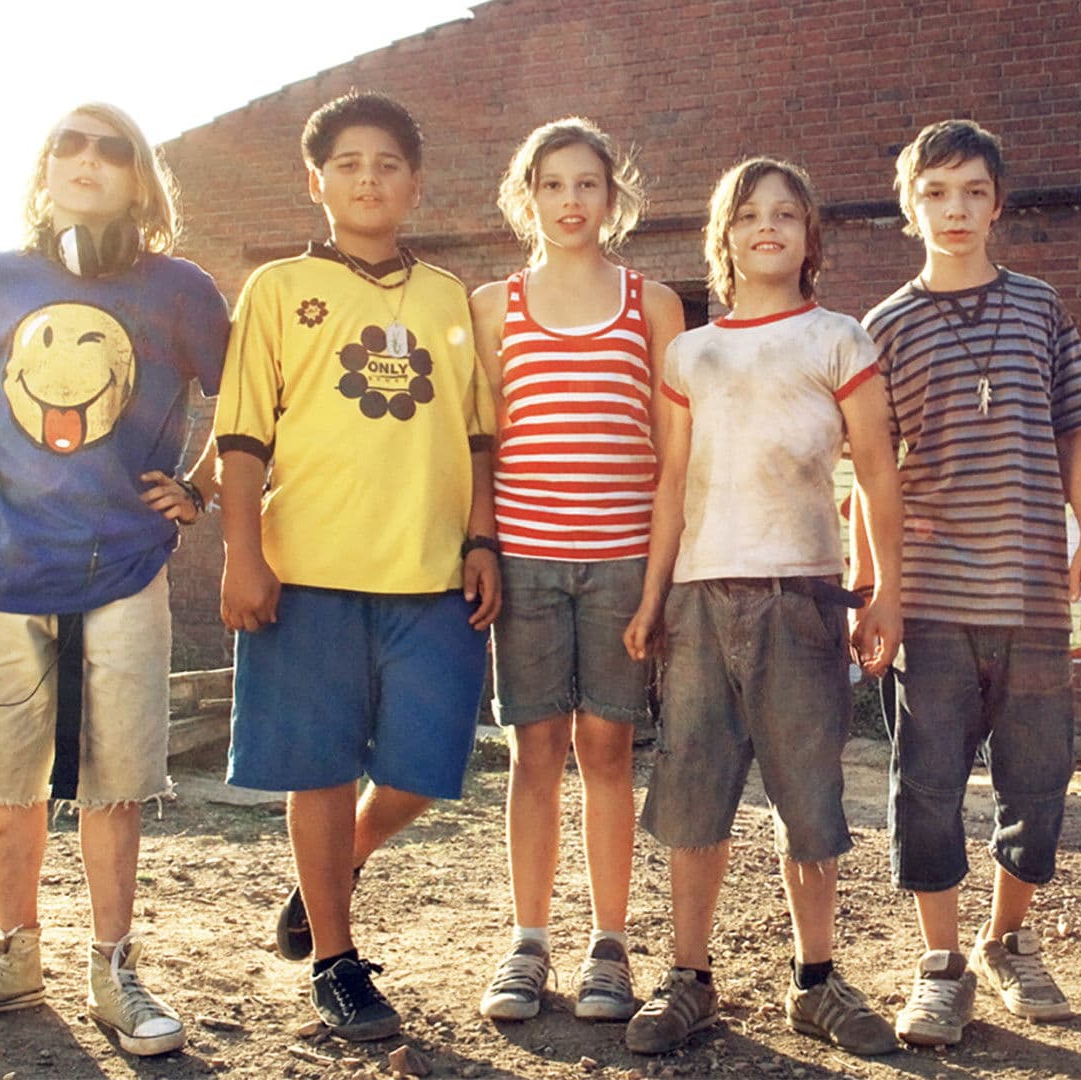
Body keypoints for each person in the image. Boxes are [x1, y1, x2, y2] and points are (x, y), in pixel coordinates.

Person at [0, 103, 228, 1058]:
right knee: (10, 777)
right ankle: (13, 956)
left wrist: (198, 486)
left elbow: (254, 393)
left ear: (140, 177)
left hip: (124, 563)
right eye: (69, 147)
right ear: (46, 172)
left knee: (114, 778)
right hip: (3, 563)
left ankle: (113, 968)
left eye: (110, 148)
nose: (87, 161)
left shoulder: (181, 289)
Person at [216, 90, 499, 1042]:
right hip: (309, 573)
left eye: (386, 164)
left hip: (426, 573)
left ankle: (331, 873)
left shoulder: (448, 297)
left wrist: (482, 539)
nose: (368, 179)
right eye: (348, 164)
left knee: (424, 769)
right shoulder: (275, 290)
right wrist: (243, 555)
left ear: (415, 183)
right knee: (322, 766)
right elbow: (242, 436)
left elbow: (477, 436)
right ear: (316, 181)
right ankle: (336, 960)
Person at [618, 157, 904, 1057]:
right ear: (724, 237)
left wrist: (884, 586)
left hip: (803, 596)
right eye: (748, 215)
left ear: (811, 237)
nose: (767, 227)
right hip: (700, 600)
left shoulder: (839, 340)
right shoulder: (690, 353)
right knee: (694, 785)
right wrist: (653, 594)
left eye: (786, 213)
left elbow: (878, 474)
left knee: (806, 791)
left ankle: (817, 980)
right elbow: (671, 482)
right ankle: (688, 979)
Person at [856, 119, 1081, 1047]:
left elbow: (1074, 431)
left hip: (1033, 592)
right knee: (925, 781)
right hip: (928, 597)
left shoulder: (1040, 307)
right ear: (908, 207)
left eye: (972, 192)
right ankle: (940, 964)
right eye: (935, 193)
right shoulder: (882, 326)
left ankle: (1010, 941)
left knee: (1038, 780)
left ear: (998, 203)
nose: (954, 210)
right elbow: (871, 472)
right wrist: (873, 586)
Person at [470, 117, 684, 1024]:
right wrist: (482, 543)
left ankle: (609, 944)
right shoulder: (492, 306)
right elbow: (481, 446)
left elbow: (675, 458)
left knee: (606, 750)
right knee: (535, 752)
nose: (571, 200)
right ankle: (527, 943)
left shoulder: (655, 303)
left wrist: (657, 582)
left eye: (587, 183)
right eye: (553, 184)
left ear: (614, 195)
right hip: (523, 558)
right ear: (528, 195)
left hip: (620, 561)